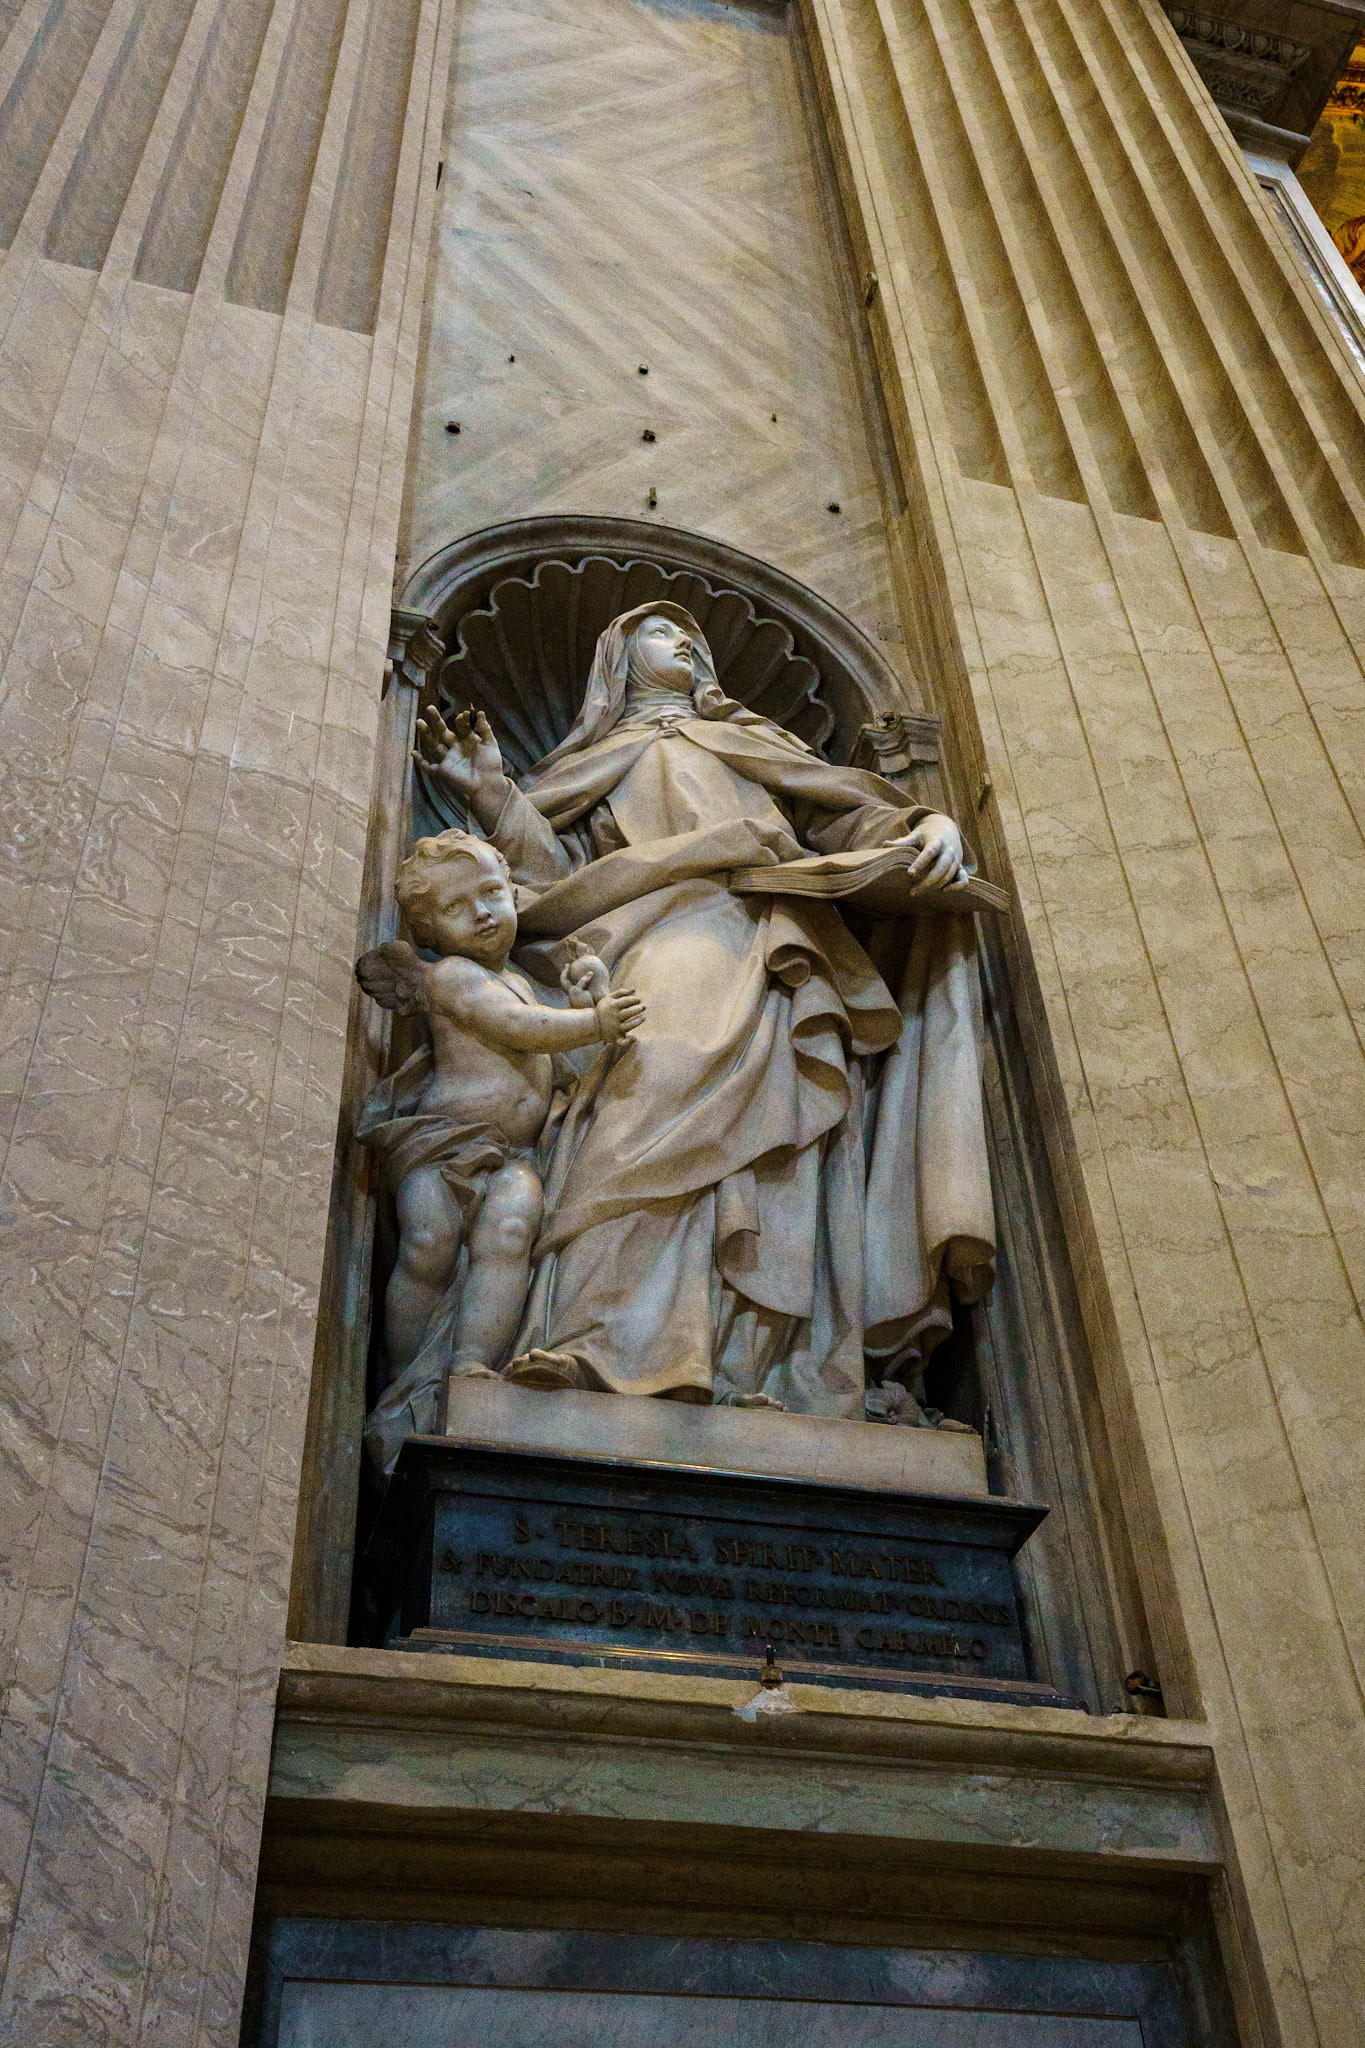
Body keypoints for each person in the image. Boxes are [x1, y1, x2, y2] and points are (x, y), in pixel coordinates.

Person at [413, 604, 996, 1418]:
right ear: (616, 661)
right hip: (664, 934)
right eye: (658, 631)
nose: (683, 640)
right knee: (643, 1108)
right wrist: (494, 796)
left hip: (775, 942)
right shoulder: (604, 757)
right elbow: (549, 883)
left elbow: (839, 813)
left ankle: (752, 1367)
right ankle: (596, 1338)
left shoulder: (754, 743)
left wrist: (924, 823)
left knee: (776, 1150)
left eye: (692, 633)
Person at [354, 830, 643, 1468]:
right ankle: (406, 1380)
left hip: (515, 1154)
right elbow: (515, 1029)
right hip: (443, 1147)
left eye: (493, 893)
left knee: (511, 1235)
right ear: (429, 932)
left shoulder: (519, 981)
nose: (485, 912)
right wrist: (592, 1019)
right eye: (461, 907)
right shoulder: (453, 978)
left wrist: (587, 994)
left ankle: (471, 1366)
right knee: (429, 1243)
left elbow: (573, 1061)